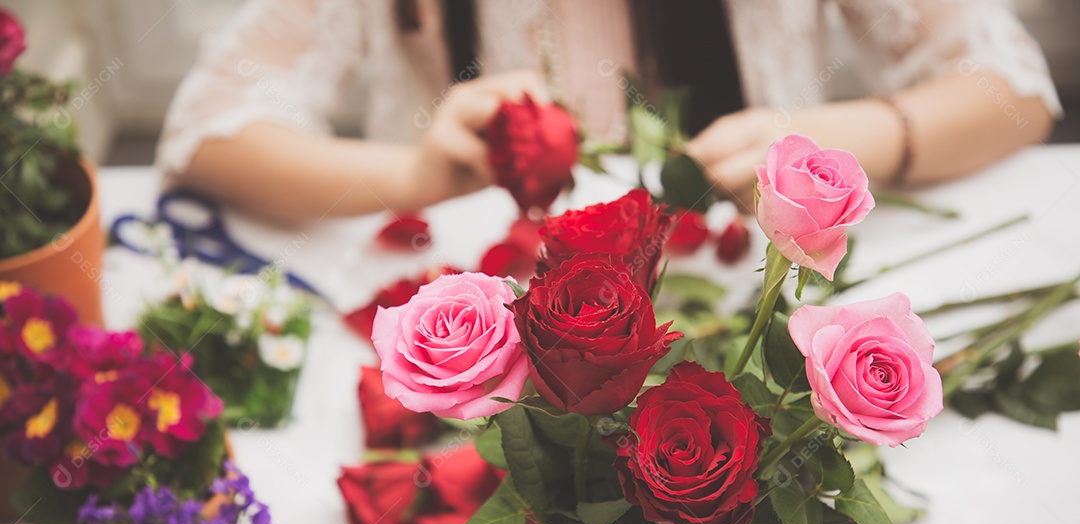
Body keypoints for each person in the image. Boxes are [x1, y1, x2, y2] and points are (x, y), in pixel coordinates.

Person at [157, 0, 1061, 222]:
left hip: (746, 304)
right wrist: (411, 172)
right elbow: (207, 132)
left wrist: (840, 139)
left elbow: (1015, 94)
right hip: (484, 333)